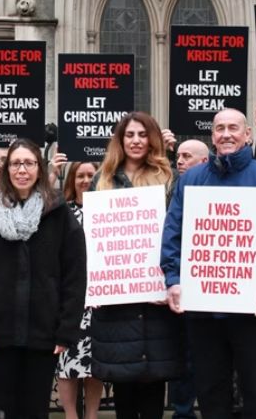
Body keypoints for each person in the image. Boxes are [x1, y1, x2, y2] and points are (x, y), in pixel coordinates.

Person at [162, 108, 256, 419]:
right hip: (204, 309)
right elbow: (173, 233)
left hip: (252, 309)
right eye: (219, 129)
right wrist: (174, 278)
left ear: (247, 135)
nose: (226, 134)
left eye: (233, 128)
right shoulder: (191, 179)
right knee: (211, 393)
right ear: (213, 137)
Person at [0, 138, 87, 419]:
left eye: (28, 163)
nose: (22, 170)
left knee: (35, 410)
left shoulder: (59, 214)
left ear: (39, 169)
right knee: (0, 410)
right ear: (6, 170)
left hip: (43, 333)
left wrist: (66, 330)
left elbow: (74, 277)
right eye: (15, 163)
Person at [89, 111, 184, 419]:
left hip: (156, 304)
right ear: (120, 139)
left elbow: (180, 232)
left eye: (143, 135)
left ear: (152, 139)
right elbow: (90, 241)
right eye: (129, 135)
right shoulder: (100, 181)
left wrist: (168, 282)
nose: (136, 141)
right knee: (124, 398)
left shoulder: (168, 178)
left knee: (154, 394)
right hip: (116, 306)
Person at [55, 161, 102, 419]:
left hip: (101, 300)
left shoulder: (108, 210)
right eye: (80, 176)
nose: (85, 180)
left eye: (90, 175)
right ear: (71, 180)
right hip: (70, 300)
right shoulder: (62, 212)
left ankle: (92, 415)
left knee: (95, 364)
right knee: (67, 364)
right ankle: (71, 415)